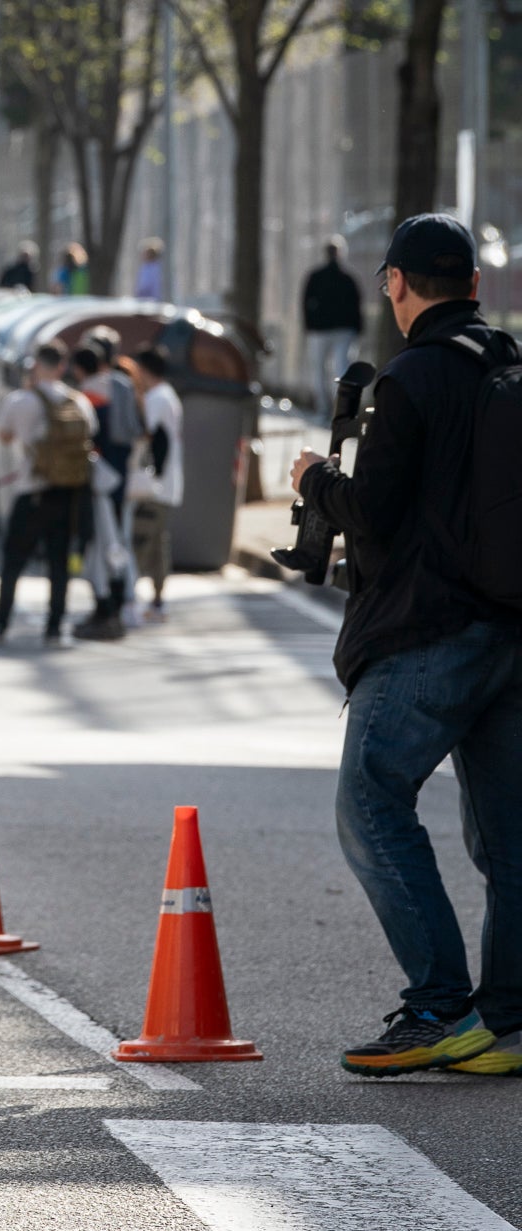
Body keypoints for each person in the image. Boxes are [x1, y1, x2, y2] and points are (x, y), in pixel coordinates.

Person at [289, 213, 521, 1079]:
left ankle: (436, 1007)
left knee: (371, 801)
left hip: (429, 631)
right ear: (470, 282)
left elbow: (372, 512)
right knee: (509, 840)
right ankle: (506, 1020)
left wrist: (314, 477)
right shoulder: (508, 361)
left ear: (396, 284)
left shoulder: (413, 377)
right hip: (512, 629)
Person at [0, 340, 96, 645]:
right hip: (68, 493)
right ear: (61, 367)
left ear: (35, 365)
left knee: (13, 559)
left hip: (32, 492)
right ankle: (55, 626)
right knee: (59, 562)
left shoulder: (21, 400)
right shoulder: (79, 402)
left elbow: (4, 437)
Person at [71, 332, 142, 640]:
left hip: (98, 478)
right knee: (117, 542)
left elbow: (87, 438)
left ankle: (107, 610)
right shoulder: (125, 385)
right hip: (122, 475)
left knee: (99, 546)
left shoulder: (86, 394)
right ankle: (117, 604)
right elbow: (138, 431)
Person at [127, 345, 183, 621]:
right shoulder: (167, 396)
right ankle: (158, 602)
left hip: (154, 485)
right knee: (157, 545)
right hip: (165, 485)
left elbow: (141, 430)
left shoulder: (157, 399)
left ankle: (130, 601)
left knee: (142, 542)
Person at [302, 236, 363, 422]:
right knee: (340, 369)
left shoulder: (316, 277)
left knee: (322, 370)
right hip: (341, 331)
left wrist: (309, 325)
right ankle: (340, 410)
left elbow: (305, 303)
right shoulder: (348, 278)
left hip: (321, 330)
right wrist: (357, 330)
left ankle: (326, 410)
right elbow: (356, 306)